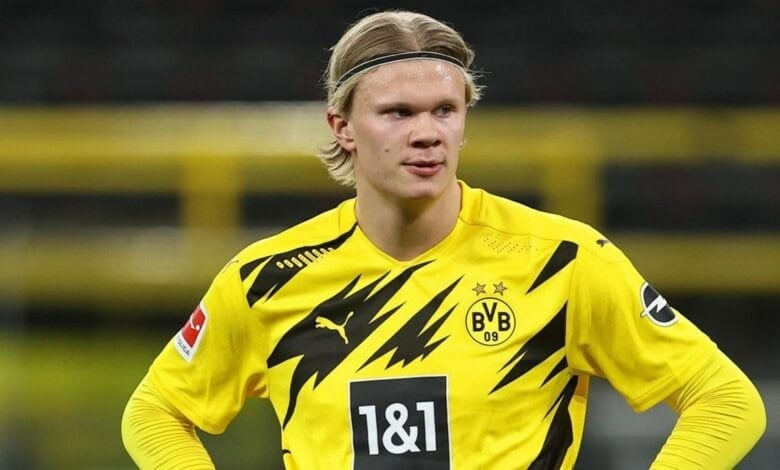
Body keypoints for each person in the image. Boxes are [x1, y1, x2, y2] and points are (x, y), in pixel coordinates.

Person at [121, 10, 766, 469]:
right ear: (342, 126)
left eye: (445, 111)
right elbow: (155, 413)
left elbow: (726, 401)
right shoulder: (267, 278)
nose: (427, 133)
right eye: (398, 112)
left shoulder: (562, 262)